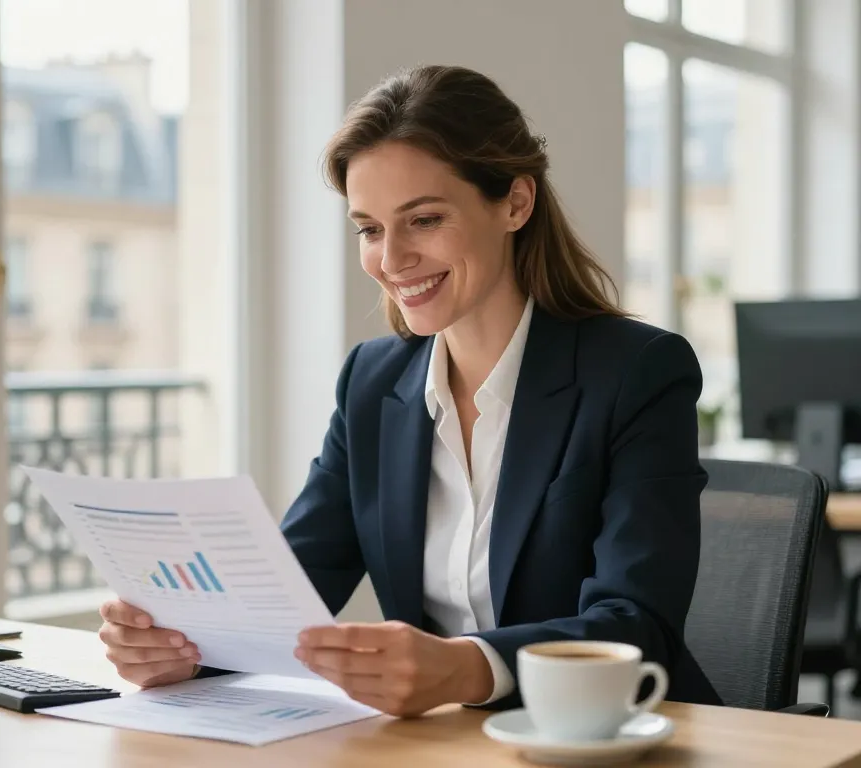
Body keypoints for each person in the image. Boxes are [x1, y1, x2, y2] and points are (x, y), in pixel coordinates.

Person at [98, 63, 722, 716]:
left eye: (423, 220)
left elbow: (636, 625)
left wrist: (466, 668)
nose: (391, 259)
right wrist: (182, 644)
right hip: (443, 746)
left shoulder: (637, 372)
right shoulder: (373, 383)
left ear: (515, 202)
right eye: (369, 228)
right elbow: (286, 594)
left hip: (613, 739)